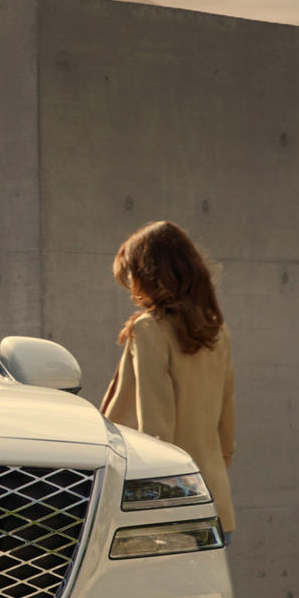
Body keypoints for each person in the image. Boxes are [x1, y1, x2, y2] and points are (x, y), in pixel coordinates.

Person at [99, 221, 236, 541]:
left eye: (131, 273)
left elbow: (156, 427)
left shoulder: (149, 329)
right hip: (213, 496)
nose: (131, 285)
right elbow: (227, 428)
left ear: (148, 273)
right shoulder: (217, 331)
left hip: (162, 501)